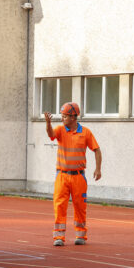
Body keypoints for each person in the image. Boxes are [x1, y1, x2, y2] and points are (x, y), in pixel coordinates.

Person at [44, 102, 102, 247]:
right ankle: (59, 237)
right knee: (59, 206)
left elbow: (96, 150)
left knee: (80, 206)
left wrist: (98, 169)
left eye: (64, 116)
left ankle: (81, 235)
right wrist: (48, 123)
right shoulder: (60, 130)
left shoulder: (86, 132)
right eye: (62, 116)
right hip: (62, 175)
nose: (62, 119)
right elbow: (51, 135)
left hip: (78, 176)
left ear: (73, 117)